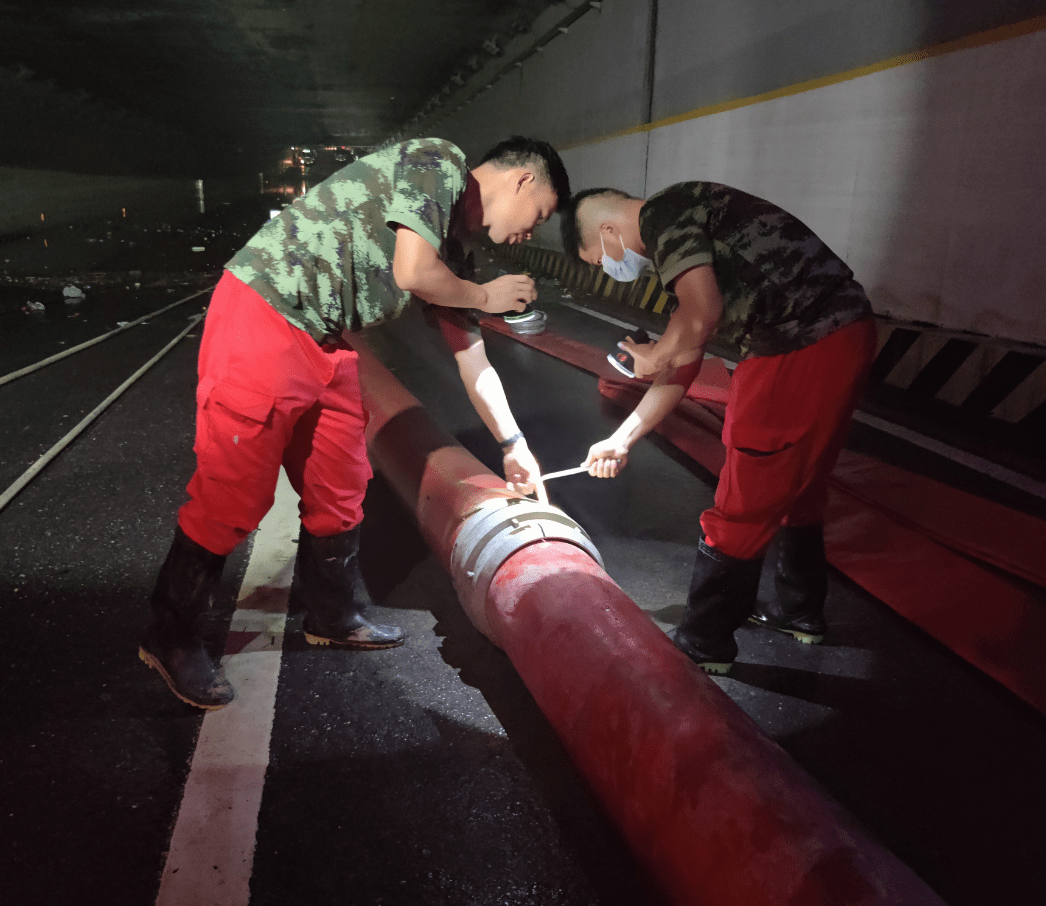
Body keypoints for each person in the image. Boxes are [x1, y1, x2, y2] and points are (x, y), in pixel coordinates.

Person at [140, 136, 571, 708]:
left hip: (325, 336)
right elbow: (413, 271)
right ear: (523, 180)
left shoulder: (454, 252)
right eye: (539, 215)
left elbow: (473, 360)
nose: (529, 234)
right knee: (233, 496)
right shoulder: (438, 162)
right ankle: (170, 638)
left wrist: (514, 445)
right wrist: (488, 296)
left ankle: (332, 614)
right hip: (265, 312)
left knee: (340, 483)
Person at [562, 183, 877, 675]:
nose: (609, 269)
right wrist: (619, 439)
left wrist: (654, 355)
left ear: (608, 231)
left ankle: (704, 641)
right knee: (801, 482)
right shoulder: (691, 230)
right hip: (844, 333)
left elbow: (698, 318)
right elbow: (688, 352)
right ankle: (800, 610)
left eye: (596, 259)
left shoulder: (665, 216)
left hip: (797, 346)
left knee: (747, 487)